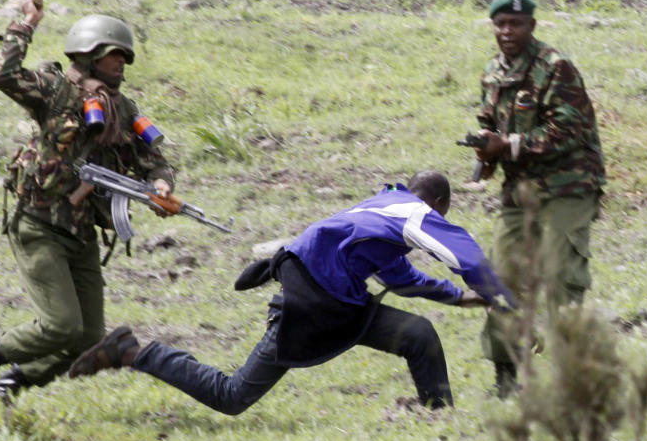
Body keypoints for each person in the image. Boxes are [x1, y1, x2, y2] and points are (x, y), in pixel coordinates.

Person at [69, 171, 514, 413]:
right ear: (438, 205)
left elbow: (401, 277)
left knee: (418, 335)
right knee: (232, 396)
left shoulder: (382, 209)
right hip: (311, 304)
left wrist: (460, 298)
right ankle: (131, 351)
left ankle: (439, 417)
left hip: (342, 304)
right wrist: (503, 300)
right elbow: (469, 259)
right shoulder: (415, 214)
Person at [0, 0, 176, 415]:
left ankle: (11, 385)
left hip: (80, 233)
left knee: (87, 338)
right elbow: (3, 76)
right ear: (89, 55)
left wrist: (161, 187)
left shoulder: (123, 109)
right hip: (38, 224)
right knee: (59, 325)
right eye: (114, 56)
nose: (122, 64)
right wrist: (25, 26)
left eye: (125, 57)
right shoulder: (55, 91)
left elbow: (155, 161)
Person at [469, 0, 606, 398]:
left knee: (562, 277)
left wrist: (507, 145)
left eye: (515, 24)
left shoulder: (555, 68)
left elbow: (569, 131)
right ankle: (506, 379)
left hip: (568, 186)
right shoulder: (493, 71)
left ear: (532, 26)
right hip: (520, 191)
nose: (506, 32)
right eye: (500, 25)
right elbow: (489, 118)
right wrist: (485, 149)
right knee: (501, 282)